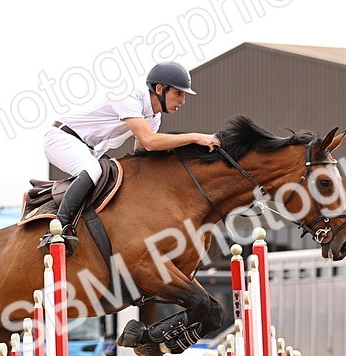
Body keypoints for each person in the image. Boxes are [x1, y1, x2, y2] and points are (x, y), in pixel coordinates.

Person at [42, 61, 221, 252]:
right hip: (61, 138)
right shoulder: (128, 96)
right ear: (160, 89)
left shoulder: (154, 117)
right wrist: (195, 137)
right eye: (178, 93)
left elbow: (143, 150)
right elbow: (150, 141)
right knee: (92, 170)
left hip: (89, 150)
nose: (182, 100)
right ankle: (56, 232)